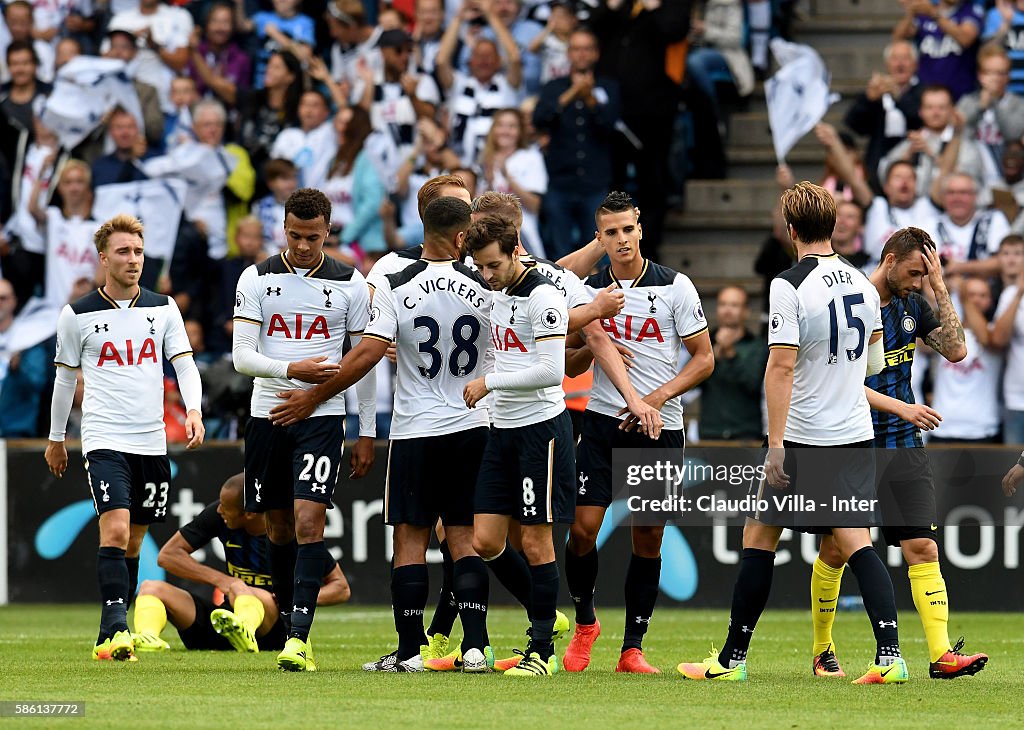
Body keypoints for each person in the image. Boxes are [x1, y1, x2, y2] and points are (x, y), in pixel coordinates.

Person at [677, 182, 908, 685]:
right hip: (853, 433)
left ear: (791, 229)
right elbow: (870, 366)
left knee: (759, 538)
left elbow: (780, 368)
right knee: (856, 542)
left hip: (805, 436)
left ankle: (732, 660)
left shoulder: (788, 285)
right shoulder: (865, 287)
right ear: (832, 225)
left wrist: (776, 444)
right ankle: (890, 656)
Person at [269, 197, 495, 673]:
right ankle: (475, 648)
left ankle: (410, 652)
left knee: (410, 541)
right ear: (461, 238)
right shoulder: (486, 282)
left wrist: (314, 396)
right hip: (475, 424)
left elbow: (368, 354)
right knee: (464, 539)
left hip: (416, 429)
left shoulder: (395, 283)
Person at [812, 227, 988, 680]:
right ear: (888, 259)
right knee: (836, 548)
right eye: (913, 272)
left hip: (903, 446)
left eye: (923, 275)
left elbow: (957, 349)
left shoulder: (914, 303)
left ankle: (941, 654)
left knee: (922, 546)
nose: (917, 281)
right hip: (853, 440)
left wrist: (940, 286)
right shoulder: (854, 303)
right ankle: (822, 648)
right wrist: (905, 408)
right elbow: (845, 384)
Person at [561, 191, 713, 674]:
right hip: (604, 420)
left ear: (640, 228)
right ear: (599, 237)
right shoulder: (589, 291)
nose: (622, 240)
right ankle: (586, 622)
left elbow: (704, 359)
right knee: (583, 530)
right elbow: (566, 361)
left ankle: (632, 648)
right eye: (611, 232)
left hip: (659, 426)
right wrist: (591, 342)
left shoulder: (675, 287)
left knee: (648, 536)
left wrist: (657, 398)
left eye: (628, 229)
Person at [45, 213, 206, 661]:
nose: (133, 260)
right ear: (103, 258)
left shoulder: (164, 307)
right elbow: (64, 381)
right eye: (123, 252)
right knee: (114, 528)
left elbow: (185, 364)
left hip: (152, 442)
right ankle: (119, 627)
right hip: (104, 438)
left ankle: (107, 634)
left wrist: (193, 409)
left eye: (137, 251)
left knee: (134, 540)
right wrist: (57, 438)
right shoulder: (76, 314)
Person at [231, 188, 376, 671]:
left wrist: (367, 430)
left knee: (309, 520)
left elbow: (366, 360)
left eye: (312, 237)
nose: (302, 245)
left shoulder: (351, 283)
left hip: (323, 417)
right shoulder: (256, 276)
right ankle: (283, 624)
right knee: (276, 527)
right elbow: (242, 356)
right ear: (284, 228)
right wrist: (293, 370)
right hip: (268, 415)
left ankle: (299, 637)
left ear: (328, 231)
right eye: (294, 235)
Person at [461, 215, 572, 678]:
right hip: (502, 430)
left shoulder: (544, 297)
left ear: (515, 251)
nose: (486, 276)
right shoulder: (497, 291)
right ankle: (547, 615)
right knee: (484, 540)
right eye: (480, 268)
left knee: (535, 539)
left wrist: (491, 381)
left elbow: (551, 370)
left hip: (539, 431)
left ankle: (541, 650)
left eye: (492, 266)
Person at [132, 474, 350, 653]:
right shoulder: (219, 516)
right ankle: (147, 638)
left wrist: (294, 601)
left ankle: (245, 630)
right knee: (151, 587)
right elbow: (168, 555)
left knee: (250, 592)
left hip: (272, 629)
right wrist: (223, 581)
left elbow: (341, 588)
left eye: (225, 507)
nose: (219, 510)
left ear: (248, 512)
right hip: (227, 614)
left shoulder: (289, 530)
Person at [533, 27, 619, 260]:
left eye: (587, 49)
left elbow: (609, 127)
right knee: (561, 255)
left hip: (594, 182)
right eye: (576, 49)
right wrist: (572, 93)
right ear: (569, 53)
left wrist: (590, 99)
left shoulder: (608, 86)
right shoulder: (555, 86)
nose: (582, 55)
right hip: (560, 182)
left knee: (599, 251)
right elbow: (539, 119)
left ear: (596, 54)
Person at [436, 0, 523, 165]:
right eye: (479, 56)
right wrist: (458, 18)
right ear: (469, 61)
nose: (484, 61)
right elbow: (441, 61)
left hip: (498, 168)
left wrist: (491, 14)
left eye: (489, 56)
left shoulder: (507, 87)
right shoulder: (459, 85)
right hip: (461, 170)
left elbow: (515, 58)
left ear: (498, 61)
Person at [843, 41, 924, 194]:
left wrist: (899, 98)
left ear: (915, 64)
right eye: (895, 59)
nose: (900, 64)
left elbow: (921, 120)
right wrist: (869, 99)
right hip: (877, 164)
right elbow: (855, 125)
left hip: (913, 163)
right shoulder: (877, 92)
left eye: (905, 58)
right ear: (887, 64)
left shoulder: (924, 92)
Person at [930, 276, 1003, 443]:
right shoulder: (945, 332)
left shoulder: (995, 333)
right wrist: (937, 296)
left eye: (982, 295)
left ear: (990, 300)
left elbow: (985, 339)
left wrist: (964, 298)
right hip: (942, 428)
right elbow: (922, 346)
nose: (976, 299)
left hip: (982, 430)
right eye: (971, 294)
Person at [697, 286, 765, 441]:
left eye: (734, 305)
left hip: (746, 434)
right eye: (723, 304)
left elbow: (752, 383)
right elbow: (689, 383)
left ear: (746, 311)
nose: (727, 310)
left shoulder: (757, 346)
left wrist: (729, 353)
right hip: (710, 434)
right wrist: (714, 354)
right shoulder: (704, 343)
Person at [478, 108, 548, 257]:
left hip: (522, 233)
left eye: (511, 126)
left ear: (520, 131)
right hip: (488, 233)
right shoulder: (485, 158)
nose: (505, 131)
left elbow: (535, 205)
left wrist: (507, 176)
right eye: (501, 125)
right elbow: (479, 206)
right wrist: (489, 182)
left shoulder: (531, 157)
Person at [893, 0, 983, 102]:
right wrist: (912, 12)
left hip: (961, 95)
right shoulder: (925, 10)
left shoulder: (971, 11)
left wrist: (934, 15)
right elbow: (898, 38)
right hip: (926, 95)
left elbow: (965, 38)